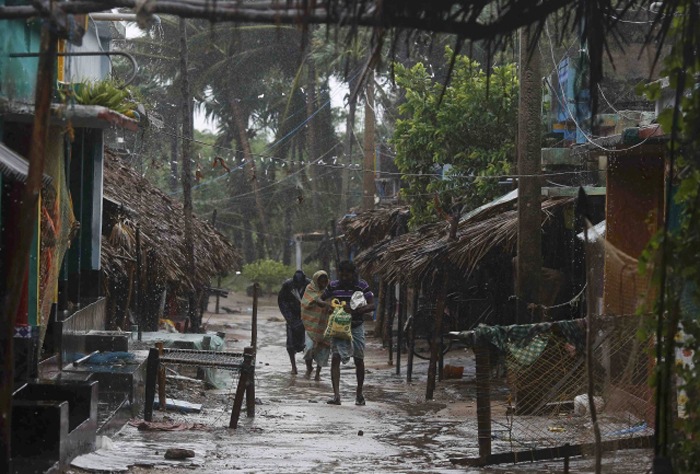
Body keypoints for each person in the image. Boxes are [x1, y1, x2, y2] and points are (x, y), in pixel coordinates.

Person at [321, 260, 374, 406]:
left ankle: (359, 394)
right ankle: (336, 395)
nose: (344, 278)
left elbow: (372, 305)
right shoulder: (333, 286)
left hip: (356, 326)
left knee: (359, 359)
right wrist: (329, 307)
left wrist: (356, 310)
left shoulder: (362, 285)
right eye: (342, 275)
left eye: (347, 275)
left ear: (353, 274)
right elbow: (321, 299)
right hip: (338, 328)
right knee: (336, 358)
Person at [278, 270, 310, 374]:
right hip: (292, 317)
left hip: (307, 317)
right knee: (290, 345)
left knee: (307, 345)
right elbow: (281, 300)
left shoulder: (309, 285)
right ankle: (294, 367)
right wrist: (288, 316)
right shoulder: (288, 285)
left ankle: (309, 367)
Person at [301, 270, 331, 380]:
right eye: (320, 281)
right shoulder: (310, 288)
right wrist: (322, 303)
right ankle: (309, 368)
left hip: (325, 324)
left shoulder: (330, 290)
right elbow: (305, 303)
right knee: (309, 348)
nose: (323, 283)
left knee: (323, 349)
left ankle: (318, 373)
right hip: (311, 325)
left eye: (325, 280)